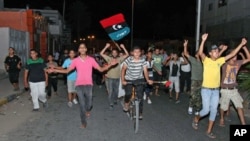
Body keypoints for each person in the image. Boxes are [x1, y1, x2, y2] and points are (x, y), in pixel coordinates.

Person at [48, 42, 118, 128]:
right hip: (79, 85)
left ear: (86, 49)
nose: (82, 49)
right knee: (81, 104)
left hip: (89, 84)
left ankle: (88, 110)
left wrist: (110, 65)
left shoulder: (91, 60)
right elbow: (67, 71)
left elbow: (101, 69)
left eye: (83, 47)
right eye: (80, 47)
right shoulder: (75, 61)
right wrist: (55, 70)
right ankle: (83, 122)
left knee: (89, 104)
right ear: (79, 50)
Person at [192, 33, 247, 139]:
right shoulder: (206, 61)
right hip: (206, 90)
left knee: (213, 111)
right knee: (206, 110)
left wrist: (241, 44)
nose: (217, 53)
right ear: (210, 53)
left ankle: (209, 131)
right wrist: (203, 40)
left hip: (216, 91)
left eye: (218, 51)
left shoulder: (220, 61)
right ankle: (196, 118)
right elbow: (200, 52)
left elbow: (232, 54)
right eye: (215, 51)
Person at [219, 45, 250, 126]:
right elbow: (217, 59)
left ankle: (243, 124)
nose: (235, 57)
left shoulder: (238, 63)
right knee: (223, 107)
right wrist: (221, 49)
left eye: (236, 55)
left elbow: (249, 58)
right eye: (234, 55)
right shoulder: (224, 63)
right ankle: (222, 118)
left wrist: (244, 47)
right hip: (225, 89)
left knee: (239, 106)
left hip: (234, 90)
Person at [121, 46, 153, 120]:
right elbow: (123, 70)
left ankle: (140, 112)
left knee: (140, 96)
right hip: (129, 78)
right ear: (132, 53)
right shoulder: (128, 59)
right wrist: (123, 80)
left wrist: (148, 80)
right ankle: (126, 104)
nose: (137, 53)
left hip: (139, 79)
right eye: (135, 52)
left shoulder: (143, 61)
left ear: (141, 53)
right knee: (128, 93)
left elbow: (145, 71)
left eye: (138, 52)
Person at [100, 43, 129, 110]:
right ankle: (111, 103)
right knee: (110, 91)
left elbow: (127, 54)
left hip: (117, 78)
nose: (114, 53)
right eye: (113, 52)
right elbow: (101, 53)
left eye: (115, 52)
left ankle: (115, 100)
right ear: (111, 53)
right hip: (110, 78)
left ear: (117, 53)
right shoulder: (109, 58)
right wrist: (106, 46)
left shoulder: (119, 59)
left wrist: (123, 47)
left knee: (116, 91)